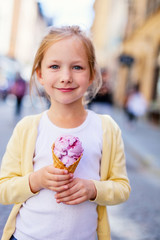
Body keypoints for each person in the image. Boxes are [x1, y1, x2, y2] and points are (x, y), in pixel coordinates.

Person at [0, 26, 131, 240]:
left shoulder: (106, 128)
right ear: (40, 74)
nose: (66, 77)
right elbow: (3, 189)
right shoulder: (27, 128)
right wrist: (35, 180)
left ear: (91, 75)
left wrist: (93, 189)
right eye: (54, 66)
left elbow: (122, 187)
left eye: (77, 67)